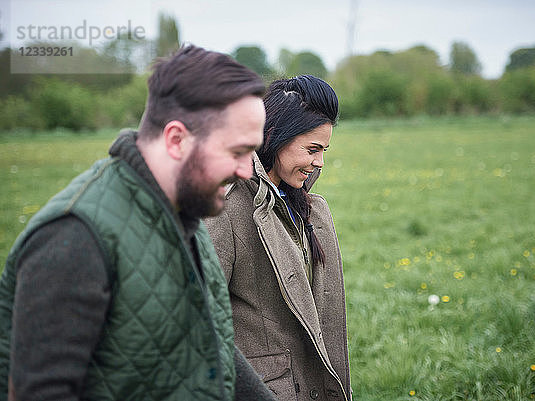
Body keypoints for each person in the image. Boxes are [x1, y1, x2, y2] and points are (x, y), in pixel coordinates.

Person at [0, 45, 277, 401]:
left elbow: (211, 344)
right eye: (237, 152)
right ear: (177, 139)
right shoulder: (74, 236)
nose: (246, 171)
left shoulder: (187, 210)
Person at [205, 75, 351, 401]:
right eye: (312, 149)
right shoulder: (225, 208)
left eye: (324, 150)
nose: (320, 162)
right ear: (276, 137)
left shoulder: (305, 207)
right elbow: (197, 321)